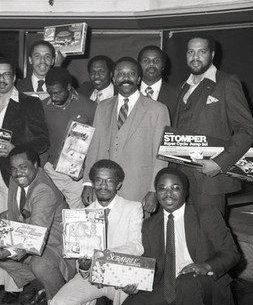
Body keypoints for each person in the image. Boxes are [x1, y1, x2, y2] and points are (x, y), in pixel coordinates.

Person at [114, 167, 240, 305]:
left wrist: (206, 266)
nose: (168, 193)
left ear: (185, 191)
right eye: (162, 188)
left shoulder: (207, 214)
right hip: (169, 284)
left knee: (187, 283)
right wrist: (136, 283)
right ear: (157, 192)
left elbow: (231, 253)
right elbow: (151, 265)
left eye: (175, 187)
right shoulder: (150, 225)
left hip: (204, 284)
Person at [0, 145, 76, 305]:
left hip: (55, 245)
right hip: (31, 233)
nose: (17, 173)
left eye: (23, 167)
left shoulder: (43, 190)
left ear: (36, 165)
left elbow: (35, 236)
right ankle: (42, 286)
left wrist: (6, 251)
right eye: (14, 168)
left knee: (40, 264)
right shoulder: (18, 179)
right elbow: (20, 210)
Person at [0, 58, 49, 303]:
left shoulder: (29, 103)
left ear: (14, 77)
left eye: (6, 75)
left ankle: (14, 287)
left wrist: (15, 148)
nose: (2, 80)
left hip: (15, 175)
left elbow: (42, 140)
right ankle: (0, 281)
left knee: (13, 225)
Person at [49, 159, 143, 305]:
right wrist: (84, 267)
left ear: (118, 184)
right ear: (92, 183)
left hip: (120, 274)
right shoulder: (81, 215)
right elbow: (80, 260)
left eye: (109, 181)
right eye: (98, 180)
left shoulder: (133, 208)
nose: (103, 185)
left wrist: (102, 257)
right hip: (93, 277)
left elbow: (137, 246)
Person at [172, 33, 253, 215]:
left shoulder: (227, 82)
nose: (195, 57)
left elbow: (247, 129)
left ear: (212, 54)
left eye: (201, 51)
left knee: (211, 236)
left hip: (210, 178)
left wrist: (219, 163)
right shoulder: (181, 87)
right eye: (190, 52)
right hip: (179, 177)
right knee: (185, 235)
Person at [81, 57, 170, 216]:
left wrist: (154, 191)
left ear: (138, 78)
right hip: (103, 188)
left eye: (131, 74)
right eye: (121, 74)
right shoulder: (103, 107)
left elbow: (161, 156)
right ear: (114, 79)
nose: (126, 78)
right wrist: (88, 183)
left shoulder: (158, 110)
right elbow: (94, 147)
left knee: (136, 236)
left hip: (138, 189)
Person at [42, 67, 96, 209]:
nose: (53, 98)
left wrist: (86, 171)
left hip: (77, 175)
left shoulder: (90, 107)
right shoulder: (42, 107)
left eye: (58, 92)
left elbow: (98, 144)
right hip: (51, 172)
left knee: (77, 218)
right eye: (50, 93)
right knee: (52, 215)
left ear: (69, 87)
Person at [137, 45, 179, 120]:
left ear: (163, 66)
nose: (151, 64)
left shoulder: (176, 94)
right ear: (138, 65)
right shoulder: (129, 92)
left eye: (156, 60)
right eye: (146, 60)